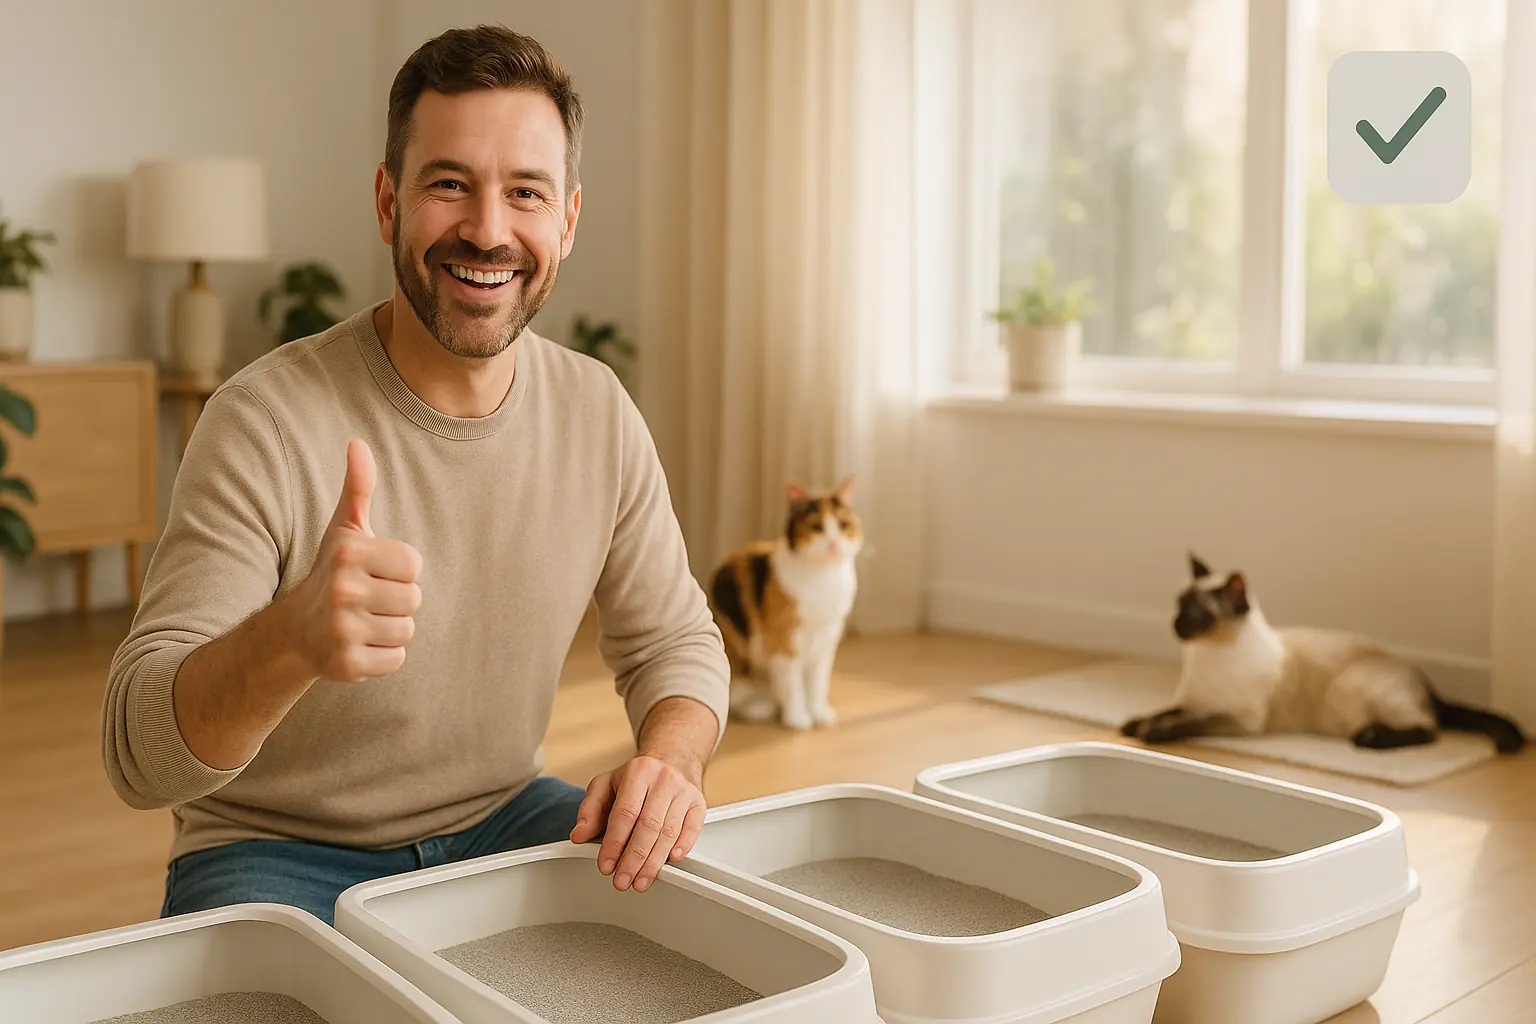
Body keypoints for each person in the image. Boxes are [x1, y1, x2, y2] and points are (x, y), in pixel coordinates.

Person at [100, 24, 731, 926]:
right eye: (449, 185)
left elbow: (676, 643)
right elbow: (138, 757)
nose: (488, 229)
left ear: (566, 221)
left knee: (710, 929)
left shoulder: (597, 409)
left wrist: (671, 761)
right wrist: (289, 641)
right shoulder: (262, 421)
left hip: (504, 819)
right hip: (271, 848)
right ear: (388, 202)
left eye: (525, 192)